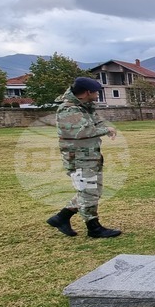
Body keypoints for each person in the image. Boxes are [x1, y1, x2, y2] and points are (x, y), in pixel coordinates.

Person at [46, 76, 121, 238]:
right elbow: (81, 132)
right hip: (78, 158)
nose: (97, 95)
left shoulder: (85, 107)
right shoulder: (68, 110)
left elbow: (96, 121)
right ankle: (93, 227)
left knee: (91, 191)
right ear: (87, 92)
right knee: (89, 192)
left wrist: (105, 128)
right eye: (96, 92)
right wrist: (106, 130)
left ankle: (61, 217)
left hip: (90, 156)